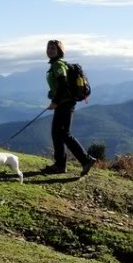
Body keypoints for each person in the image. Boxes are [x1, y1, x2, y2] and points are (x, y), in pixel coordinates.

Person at [42, 39, 97, 177]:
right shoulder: (57, 64)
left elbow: (63, 85)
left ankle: (86, 160)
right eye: (48, 48)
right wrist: (52, 94)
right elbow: (59, 86)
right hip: (65, 103)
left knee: (63, 133)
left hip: (64, 104)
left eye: (53, 48)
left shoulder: (58, 65)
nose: (50, 50)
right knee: (57, 133)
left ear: (59, 51)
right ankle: (60, 165)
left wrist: (54, 101)